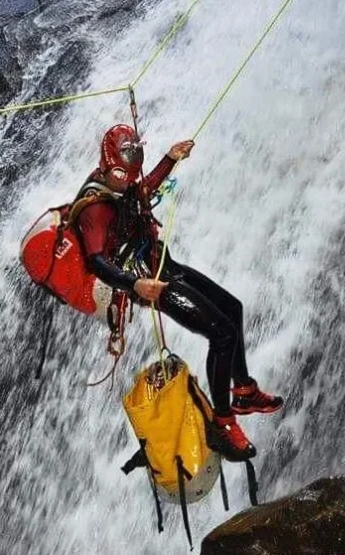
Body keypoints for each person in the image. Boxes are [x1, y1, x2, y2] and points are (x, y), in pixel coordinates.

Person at [75, 124, 284, 461]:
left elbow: (141, 192)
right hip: (149, 283)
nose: (132, 171)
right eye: (128, 161)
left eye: (136, 158)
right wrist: (135, 285)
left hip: (163, 266)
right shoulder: (94, 207)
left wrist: (169, 160)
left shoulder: (121, 183)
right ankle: (223, 423)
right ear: (111, 161)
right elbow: (97, 262)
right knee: (221, 333)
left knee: (233, 308)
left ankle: (244, 392)